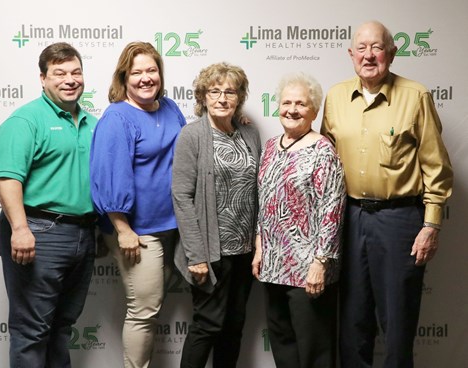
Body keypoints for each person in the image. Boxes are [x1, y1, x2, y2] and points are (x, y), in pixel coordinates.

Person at [321, 20, 454, 368]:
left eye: (376, 47)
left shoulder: (416, 96)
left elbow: (436, 167)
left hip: (400, 220)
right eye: (361, 48)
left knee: (397, 323)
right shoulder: (335, 97)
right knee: (352, 321)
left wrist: (431, 225)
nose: (369, 55)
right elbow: (320, 156)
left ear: (391, 54)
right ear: (350, 54)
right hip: (348, 219)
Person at [0, 42, 97, 368]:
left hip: (83, 234)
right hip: (39, 231)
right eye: (59, 73)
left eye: (76, 72)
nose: (70, 79)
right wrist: (20, 228)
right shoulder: (26, 120)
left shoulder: (93, 123)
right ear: (42, 78)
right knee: (32, 330)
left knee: (61, 328)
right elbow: (8, 178)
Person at [89, 41, 185, 368]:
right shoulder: (118, 118)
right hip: (138, 231)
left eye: (152, 70)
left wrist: (229, 125)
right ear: (123, 77)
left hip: (171, 225)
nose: (146, 78)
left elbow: (188, 152)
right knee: (143, 310)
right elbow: (110, 175)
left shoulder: (170, 107)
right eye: (137, 72)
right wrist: (122, 228)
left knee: (152, 306)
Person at [252, 72, 346, 368]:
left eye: (301, 104)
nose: (292, 109)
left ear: (314, 111)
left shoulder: (323, 151)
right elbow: (264, 201)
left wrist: (321, 263)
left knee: (314, 350)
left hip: (309, 270)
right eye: (286, 102)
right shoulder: (269, 147)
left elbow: (332, 210)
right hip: (273, 265)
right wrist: (259, 247)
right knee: (283, 344)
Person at [172, 62, 261, 368]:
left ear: (239, 98)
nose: (222, 98)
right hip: (210, 252)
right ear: (203, 96)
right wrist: (196, 255)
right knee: (207, 325)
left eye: (230, 92)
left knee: (233, 327)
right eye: (215, 91)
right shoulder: (192, 135)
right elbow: (181, 196)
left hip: (243, 251)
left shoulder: (250, 133)